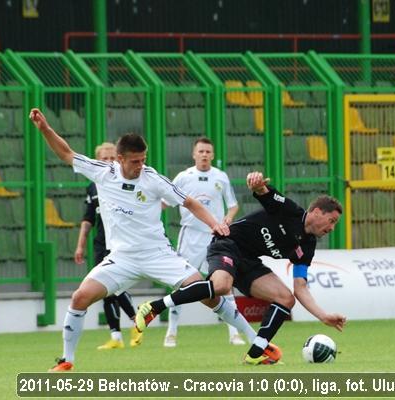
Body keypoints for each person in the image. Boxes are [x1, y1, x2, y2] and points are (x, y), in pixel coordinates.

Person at [28, 108, 258, 372]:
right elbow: (67, 154)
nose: (141, 165)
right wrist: (45, 128)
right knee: (80, 297)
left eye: (143, 159)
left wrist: (215, 224)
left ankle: (257, 343)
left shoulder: (153, 179)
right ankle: (67, 360)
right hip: (121, 258)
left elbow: (190, 202)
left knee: (207, 293)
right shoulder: (103, 172)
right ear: (120, 158)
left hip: (158, 254)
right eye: (135, 161)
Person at [136, 171, 347, 365]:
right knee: (220, 286)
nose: (331, 228)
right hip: (227, 244)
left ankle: (256, 353)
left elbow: (300, 287)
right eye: (332, 221)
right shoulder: (290, 211)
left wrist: (323, 316)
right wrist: (255, 181)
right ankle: (154, 307)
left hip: (249, 261)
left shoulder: (308, 246)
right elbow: (262, 190)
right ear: (317, 212)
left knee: (286, 298)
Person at [164, 137, 244, 348]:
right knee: (181, 281)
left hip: (215, 236)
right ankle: (171, 332)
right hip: (190, 236)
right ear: (194, 154)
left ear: (213, 155)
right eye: (201, 151)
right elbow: (166, 203)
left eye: (208, 151)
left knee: (224, 282)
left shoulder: (221, 177)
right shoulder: (183, 177)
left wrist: (228, 217)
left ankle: (234, 332)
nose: (204, 155)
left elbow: (233, 205)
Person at [74, 142, 143, 350]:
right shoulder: (93, 186)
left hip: (121, 243)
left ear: (119, 159)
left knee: (115, 286)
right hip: (100, 243)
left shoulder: (129, 182)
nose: (108, 162)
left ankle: (135, 319)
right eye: (104, 158)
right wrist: (80, 245)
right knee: (105, 290)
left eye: (112, 157)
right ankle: (116, 337)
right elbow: (88, 219)